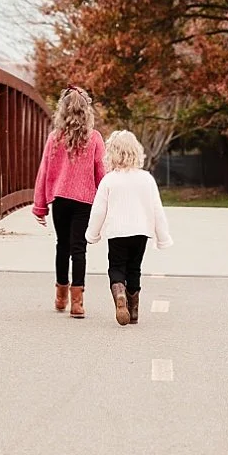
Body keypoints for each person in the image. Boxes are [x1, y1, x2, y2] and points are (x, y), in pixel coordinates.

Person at [32, 87, 106, 318]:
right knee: (79, 249)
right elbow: (101, 173)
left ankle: (60, 296)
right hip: (85, 200)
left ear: (62, 110)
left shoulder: (55, 138)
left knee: (62, 246)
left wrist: (40, 205)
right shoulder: (94, 138)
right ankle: (77, 303)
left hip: (60, 199)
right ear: (87, 110)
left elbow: (44, 172)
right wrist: (106, 204)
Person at [88, 129, 174, 325]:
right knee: (134, 268)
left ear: (112, 153)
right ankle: (133, 310)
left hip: (117, 232)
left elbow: (99, 210)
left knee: (117, 267)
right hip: (141, 232)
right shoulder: (146, 179)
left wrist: (92, 235)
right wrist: (163, 238)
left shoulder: (109, 180)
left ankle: (119, 294)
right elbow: (156, 210)